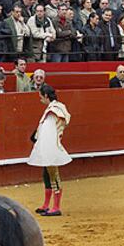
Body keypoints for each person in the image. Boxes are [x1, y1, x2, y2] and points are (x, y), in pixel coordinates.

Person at [28, 84, 71, 217]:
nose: (39, 98)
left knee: (54, 176)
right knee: (47, 175)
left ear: (46, 95)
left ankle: (56, 207)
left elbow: (49, 131)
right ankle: (47, 205)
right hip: (47, 145)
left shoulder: (53, 110)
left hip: (51, 146)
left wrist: (45, 148)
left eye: (41, 95)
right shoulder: (55, 108)